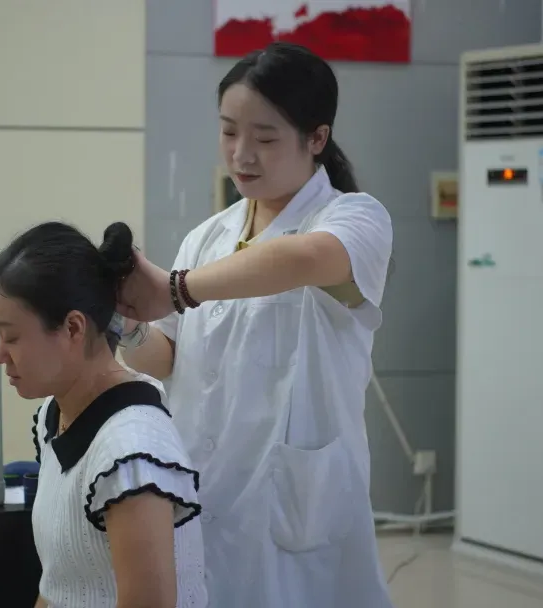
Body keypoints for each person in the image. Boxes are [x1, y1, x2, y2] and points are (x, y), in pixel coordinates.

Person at [118, 42, 394, 607]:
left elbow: (300, 259)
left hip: (294, 505)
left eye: (265, 138)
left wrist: (175, 288)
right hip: (204, 487)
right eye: (228, 132)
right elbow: (170, 356)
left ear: (316, 138)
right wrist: (127, 324)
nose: (241, 154)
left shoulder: (354, 218)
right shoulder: (208, 237)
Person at [0, 221, 208, 608]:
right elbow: (58, 586)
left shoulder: (132, 449)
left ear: (73, 327)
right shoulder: (53, 415)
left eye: (12, 337)